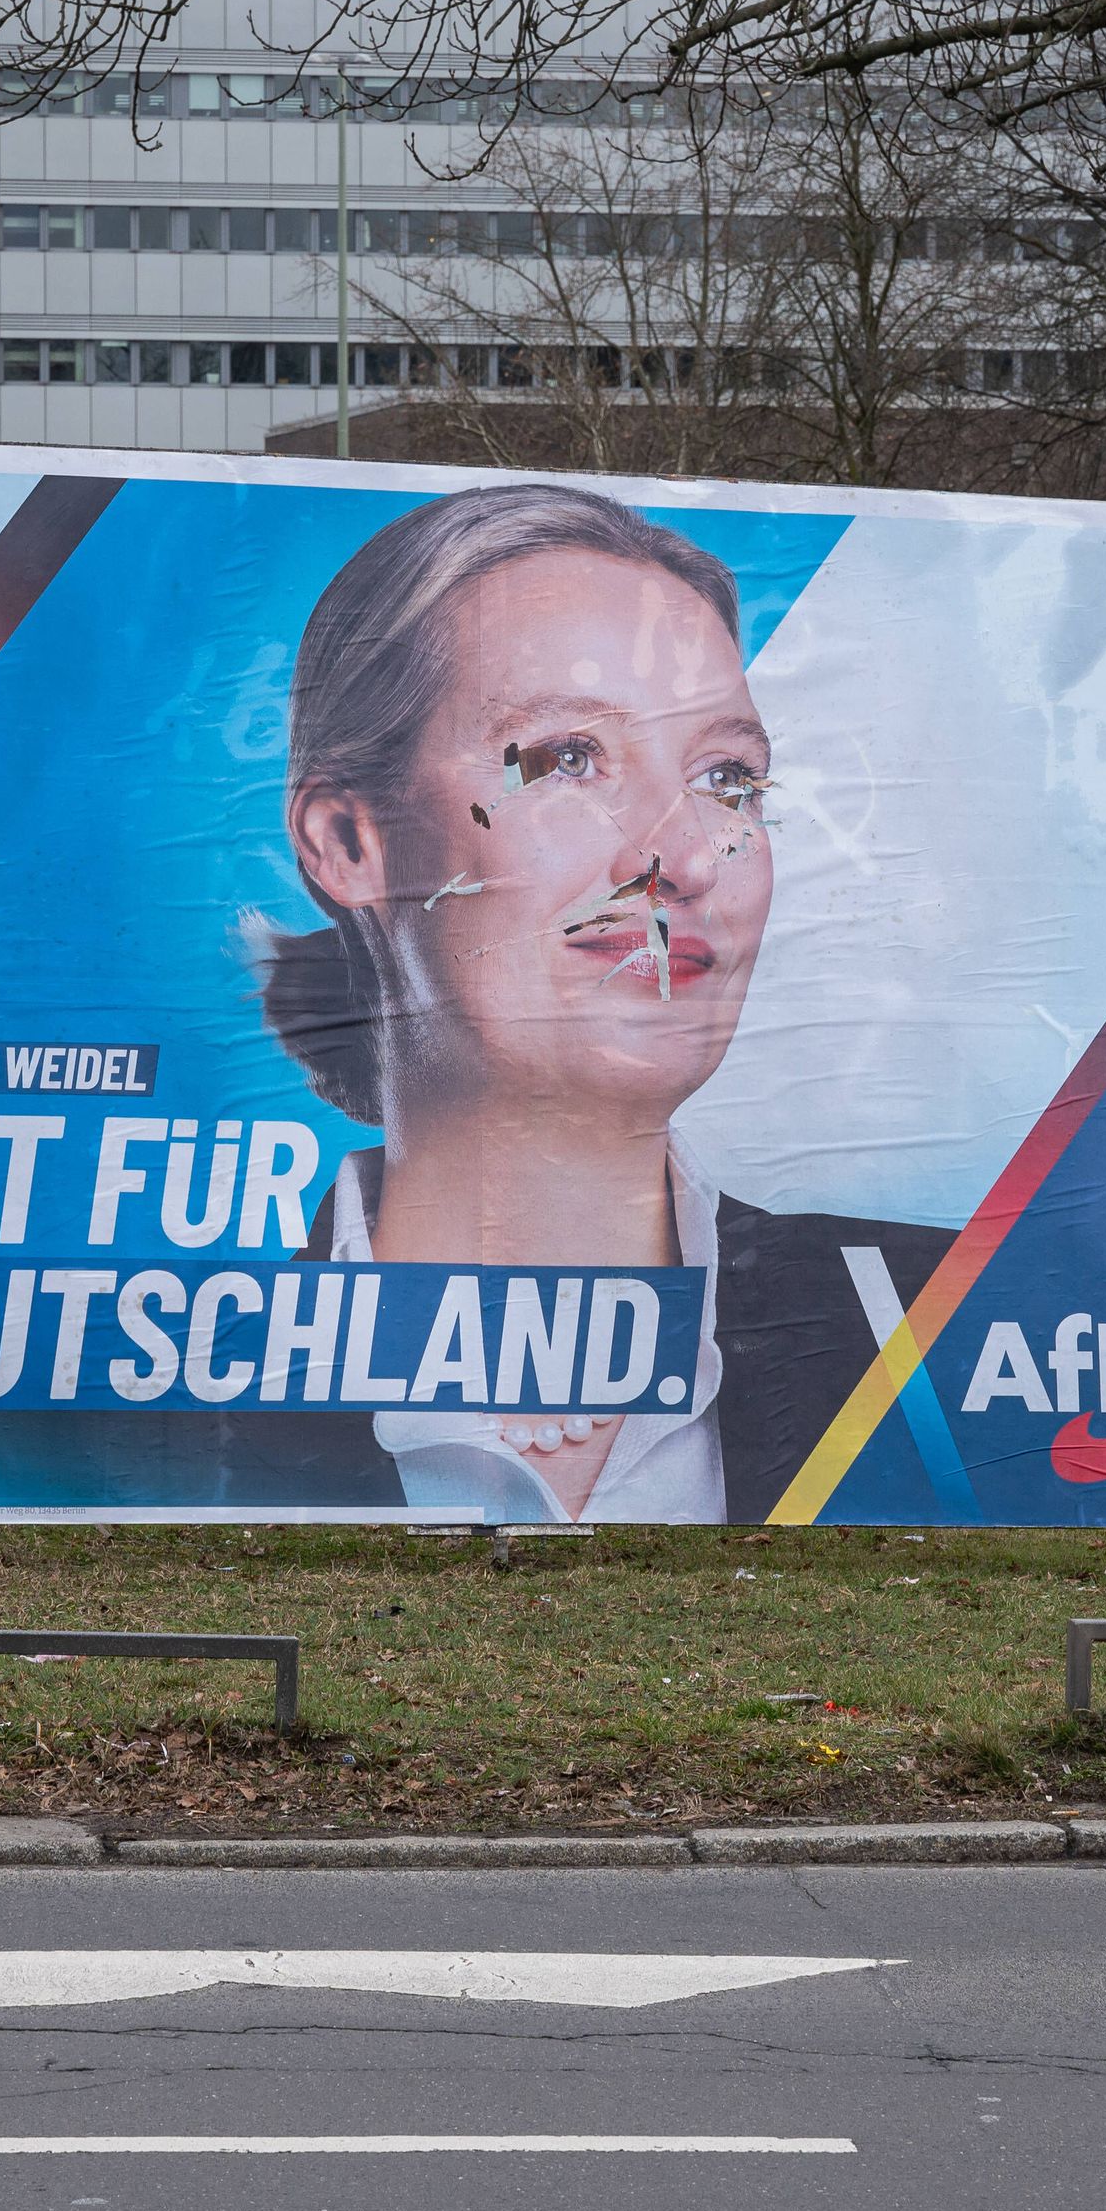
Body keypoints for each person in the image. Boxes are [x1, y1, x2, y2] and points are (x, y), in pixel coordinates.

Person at [259, 482, 952, 1523]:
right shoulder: (145, 1398)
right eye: (567, 758)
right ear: (351, 841)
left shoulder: (952, 1322)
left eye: (727, 778)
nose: (687, 859)